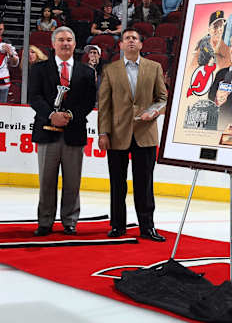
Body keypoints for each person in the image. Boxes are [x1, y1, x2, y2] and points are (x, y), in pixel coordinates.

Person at [97, 27, 168, 241]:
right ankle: (118, 225)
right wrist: (103, 133)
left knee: (144, 183)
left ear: (141, 44)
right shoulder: (110, 70)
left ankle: (147, 227)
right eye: (126, 38)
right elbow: (104, 105)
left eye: (134, 38)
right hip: (117, 134)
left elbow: (163, 98)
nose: (130, 41)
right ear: (120, 45)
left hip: (145, 134)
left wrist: (153, 112)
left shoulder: (154, 68)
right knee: (117, 183)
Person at [28, 26, 97, 236]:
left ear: (75, 44)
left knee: (73, 181)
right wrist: (52, 115)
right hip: (47, 132)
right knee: (46, 180)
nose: (65, 43)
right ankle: (45, 222)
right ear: (53, 44)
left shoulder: (87, 72)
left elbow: (88, 101)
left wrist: (69, 117)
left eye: (69, 39)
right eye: (61, 39)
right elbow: (34, 97)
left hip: (74, 133)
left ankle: (70, 221)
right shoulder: (39, 69)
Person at [0, 22, 19, 103]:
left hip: (3, 80)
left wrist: (11, 54)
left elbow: (15, 64)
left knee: (3, 108)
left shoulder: (7, 44)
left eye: (0, 29)